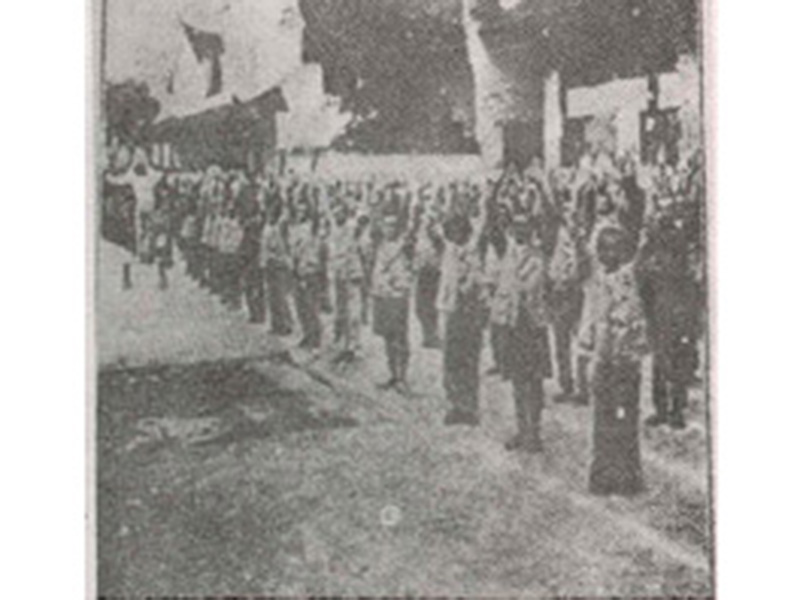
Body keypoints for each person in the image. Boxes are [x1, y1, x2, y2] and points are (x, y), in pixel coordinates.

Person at [580, 226, 649, 496]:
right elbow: (589, 317)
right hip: (602, 359)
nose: (609, 255)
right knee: (602, 418)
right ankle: (603, 474)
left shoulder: (629, 280)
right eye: (604, 249)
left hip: (624, 360)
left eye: (615, 249)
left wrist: (633, 350)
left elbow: (634, 319)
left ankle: (627, 476)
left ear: (624, 252)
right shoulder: (595, 282)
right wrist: (585, 350)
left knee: (624, 416)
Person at [637, 196, 702, 430]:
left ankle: (674, 410)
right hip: (659, 310)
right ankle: (665, 409)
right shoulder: (652, 248)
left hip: (674, 311)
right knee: (662, 362)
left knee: (674, 361)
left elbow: (691, 285)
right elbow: (640, 277)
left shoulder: (677, 247)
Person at [498, 211, 552, 452]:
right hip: (512, 322)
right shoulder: (508, 253)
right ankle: (522, 430)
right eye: (516, 226)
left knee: (534, 381)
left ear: (532, 230)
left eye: (525, 226)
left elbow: (531, 286)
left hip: (532, 324)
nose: (520, 231)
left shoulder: (539, 255)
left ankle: (534, 432)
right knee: (517, 381)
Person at [438, 206, 485, 426]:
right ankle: (454, 404)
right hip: (451, 311)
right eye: (451, 229)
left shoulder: (472, 252)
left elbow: (475, 281)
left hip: (469, 312)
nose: (455, 233)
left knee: (469, 361)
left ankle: (469, 407)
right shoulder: (449, 252)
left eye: (458, 229)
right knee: (451, 361)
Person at [370, 191, 419, 393]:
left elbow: (412, 225)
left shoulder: (404, 245)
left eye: (392, 225)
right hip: (382, 295)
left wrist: (409, 201)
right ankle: (393, 374)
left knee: (400, 338)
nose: (388, 229)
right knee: (387, 337)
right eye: (386, 225)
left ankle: (402, 377)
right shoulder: (380, 245)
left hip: (398, 297)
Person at [289, 186, 324, 350]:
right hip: (298, 270)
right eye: (298, 211)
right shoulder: (295, 228)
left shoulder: (312, 228)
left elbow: (316, 214)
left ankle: (316, 341)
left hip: (310, 271)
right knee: (300, 307)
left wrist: (310, 194)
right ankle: (307, 335)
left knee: (312, 308)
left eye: (303, 211)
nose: (300, 213)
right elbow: (293, 250)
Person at [260, 184, 294, 336]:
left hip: (277, 263)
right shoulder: (269, 226)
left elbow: (281, 247)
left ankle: (286, 324)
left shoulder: (279, 227)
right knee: (272, 296)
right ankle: (276, 323)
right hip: (269, 263)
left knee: (280, 296)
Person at [414, 188, 445, 349]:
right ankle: (428, 335)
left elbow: (441, 245)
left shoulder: (436, 229)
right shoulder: (420, 228)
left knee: (429, 305)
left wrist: (433, 231)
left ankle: (432, 335)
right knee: (420, 307)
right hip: (423, 269)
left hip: (432, 270)